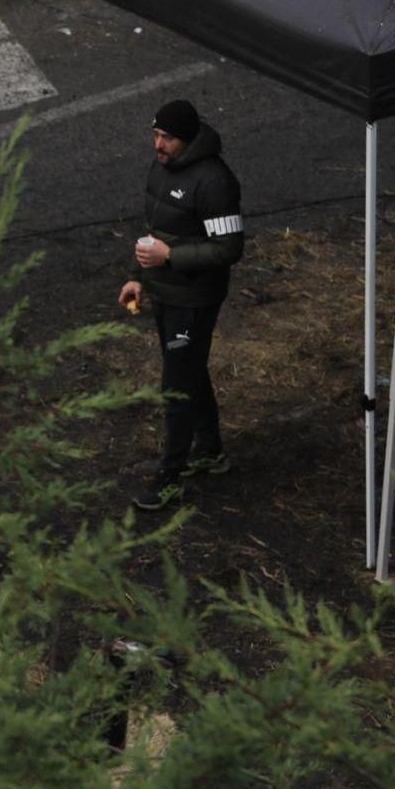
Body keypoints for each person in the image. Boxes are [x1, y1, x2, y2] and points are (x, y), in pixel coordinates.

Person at [117, 99, 244, 510]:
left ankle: (169, 477)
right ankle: (208, 450)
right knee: (188, 370)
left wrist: (170, 258)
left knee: (176, 385)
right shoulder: (161, 169)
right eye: (155, 135)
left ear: (186, 139)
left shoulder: (215, 182)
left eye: (167, 138)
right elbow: (154, 231)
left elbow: (229, 248)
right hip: (165, 293)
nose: (158, 144)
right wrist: (138, 277)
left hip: (194, 299)